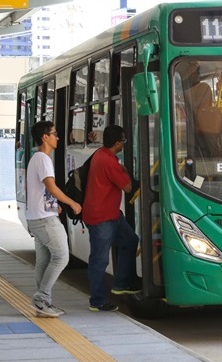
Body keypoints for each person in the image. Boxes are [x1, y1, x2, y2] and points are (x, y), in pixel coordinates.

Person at [26, 120, 82, 317]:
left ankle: (42, 305)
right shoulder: (43, 159)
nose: (58, 137)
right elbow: (51, 187)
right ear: (45, 137)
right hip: (44, 220)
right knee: (61, 257)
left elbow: (38, 190)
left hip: (36, 217)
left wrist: (53, 205)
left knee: (43, 260)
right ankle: (41, 298)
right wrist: (71, 203)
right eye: (55, 133)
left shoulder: (36, 158)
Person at [82, 124, 140, 312]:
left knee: (130, 240)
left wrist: (120, 167)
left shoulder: (102, 154)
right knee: (99, 259)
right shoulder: (109, 162)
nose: (124, 144)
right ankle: (97, 301)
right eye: (123, 141)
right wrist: (126, 173)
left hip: (112, 214)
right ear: (117, 143)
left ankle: (121, 284)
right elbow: (128, 187)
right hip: (102, 218)